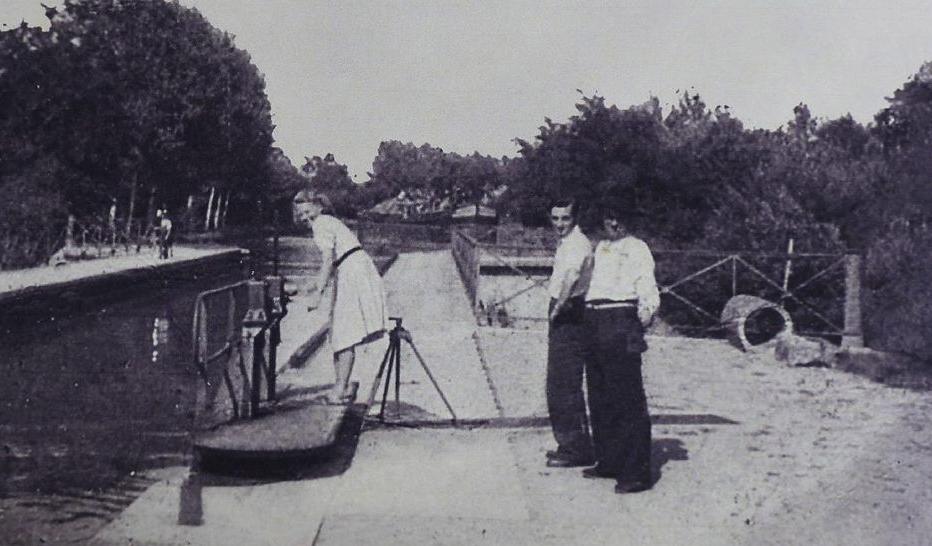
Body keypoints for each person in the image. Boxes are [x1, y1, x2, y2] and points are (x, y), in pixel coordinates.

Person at [582, 204, 660, 494]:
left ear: (628, 220)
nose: (613, 223)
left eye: (619, 217)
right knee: (600, 396)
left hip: (621, 318)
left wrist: (637, 323)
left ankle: (636, 472)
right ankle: (609, 461)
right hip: (594, 319)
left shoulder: (638, 248)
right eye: (608, 217)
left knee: (627, 399)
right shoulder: (599, 248)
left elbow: (648, 290)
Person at [293, 190, 387, 403]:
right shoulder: (329, 222)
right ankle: (340, 387)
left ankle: (339, 390)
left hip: (352, 272)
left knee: (344, 333)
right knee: (339, 331)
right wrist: (306, 286)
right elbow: (331, 264)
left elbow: (327, 261)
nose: (306, 218)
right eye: (301, 215)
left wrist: (318, 294)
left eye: (309, 213)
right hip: (354, 268)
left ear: (319, 207)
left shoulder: (321, 225)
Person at [544, 199, 595, 468]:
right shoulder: (569, 242)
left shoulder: (578, 244)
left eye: (565, 218)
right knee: (560, 383)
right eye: (555, 218)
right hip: (566, 310)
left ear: (574, 218)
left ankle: (575, 449)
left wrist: (559, 308)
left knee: (563, 385)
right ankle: (570, 443)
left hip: (570, 312)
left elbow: (573, 276)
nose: (560, 224)